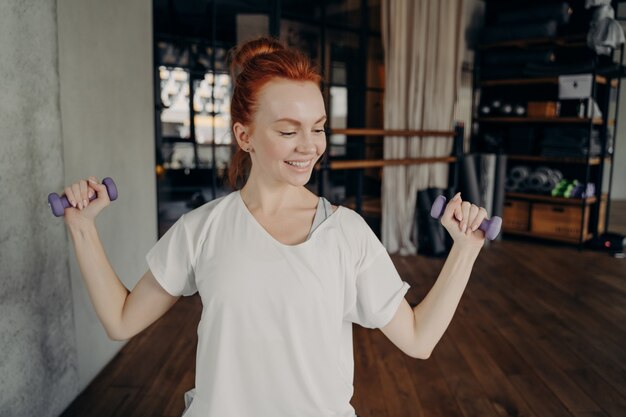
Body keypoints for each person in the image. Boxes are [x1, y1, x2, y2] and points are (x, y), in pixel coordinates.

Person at [63, 36, 488, 417]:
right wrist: (82, 226)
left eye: (318, 128)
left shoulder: (348, 233)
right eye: (288, 130)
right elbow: (121, 321)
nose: (309, 146)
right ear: (244, 135)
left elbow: (417, 338)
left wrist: (465, 249)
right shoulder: (202, 229)